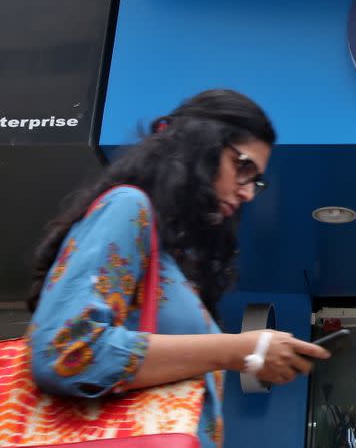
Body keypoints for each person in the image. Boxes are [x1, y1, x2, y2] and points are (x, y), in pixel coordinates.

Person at [26, 89, 329, 448]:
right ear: (199, 144)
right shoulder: (129, 206)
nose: (248, 192)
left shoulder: (174, 259)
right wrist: (237, 350)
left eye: (256, 181)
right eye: (243, 166)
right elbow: (65, 352)